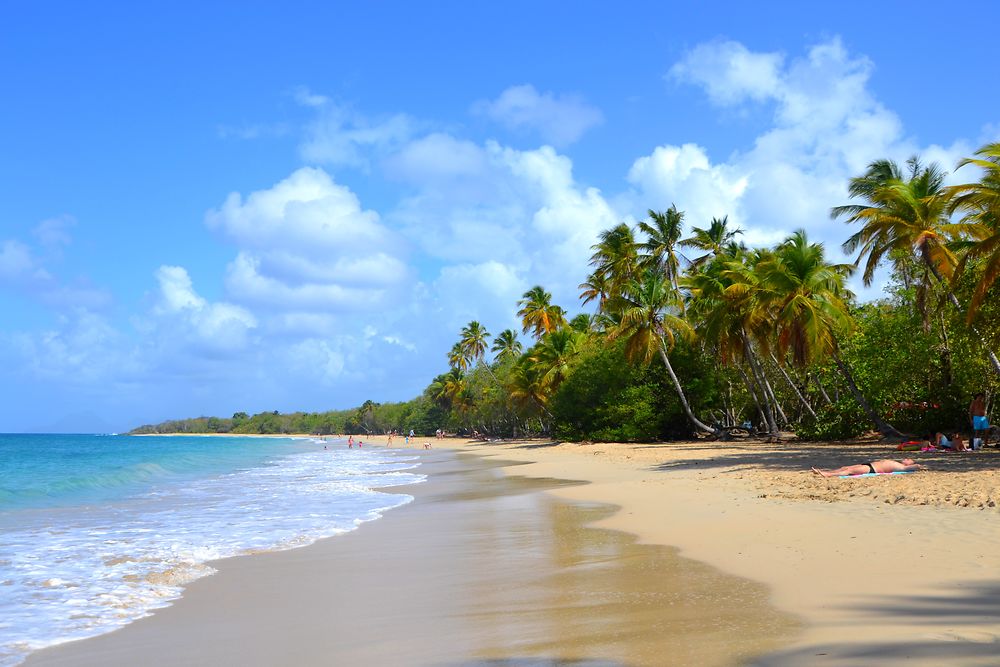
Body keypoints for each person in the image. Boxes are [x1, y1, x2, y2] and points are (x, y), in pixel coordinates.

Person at [811, 458, 927, 477]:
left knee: (849, 471)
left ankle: (829, 475)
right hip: (868, 465)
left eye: (909, 460)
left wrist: (918, 466)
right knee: (844, 467)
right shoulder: (896, 463)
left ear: (909, 463)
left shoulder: (901, 467)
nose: (906, 459)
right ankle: (825, 472)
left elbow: (911, 468)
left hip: (872, 470)